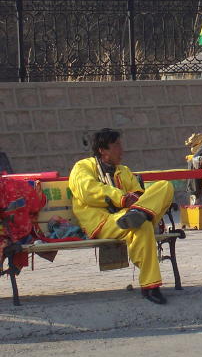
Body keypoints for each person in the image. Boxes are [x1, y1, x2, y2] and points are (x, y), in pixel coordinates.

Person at [69, 128, 174, 304]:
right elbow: (87, 191)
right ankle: (150, 287)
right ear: (103, 150)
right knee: (143, 224)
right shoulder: (83, 167)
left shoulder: (123, 170)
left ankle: (138, 213)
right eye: (116, 145)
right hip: (103, 222)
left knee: (165, 186)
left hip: (127, 215)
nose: (121, 149)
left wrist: (136, 201)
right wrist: (122, 198)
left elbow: (139, 193)